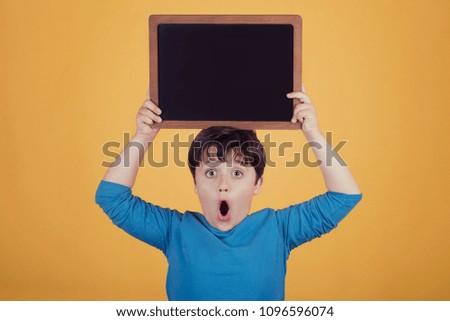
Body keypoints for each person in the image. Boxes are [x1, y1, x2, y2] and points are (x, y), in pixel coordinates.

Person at [95, 86, 362, 300]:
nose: (223, 184)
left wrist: (312, 130)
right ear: (196, 183)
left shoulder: (279, 230)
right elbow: (111, 198)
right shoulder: (175, 231)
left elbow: (344, 195)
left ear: (257, 184)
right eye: (211, 173)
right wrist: (144, 135)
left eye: (237, 173)